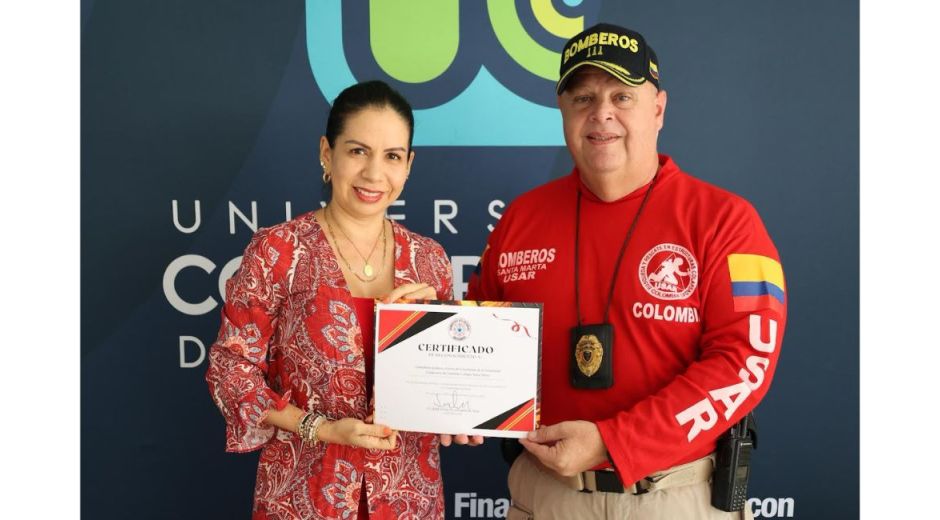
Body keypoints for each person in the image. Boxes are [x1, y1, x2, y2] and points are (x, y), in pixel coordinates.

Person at [466, 23, 787, 519]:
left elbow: (745, 362)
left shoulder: (728, 221)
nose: (602, 114)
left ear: (658, 108)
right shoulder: (520, 219)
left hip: (675, 498)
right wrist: (453, 393)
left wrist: (613, 441)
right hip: (546, 497)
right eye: (583, 97)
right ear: (563, 111)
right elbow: (476, 342)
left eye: (622, 95)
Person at [206, 80, 454, 520]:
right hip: (302, 495)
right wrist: (319, 428)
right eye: (358, 151)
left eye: (392, 156)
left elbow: (447, 381)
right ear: (327, 153)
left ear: (409, 165)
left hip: (408, 501)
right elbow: (231, 371)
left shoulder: (430, 262)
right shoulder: (278, 251)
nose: (374, 174)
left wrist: (465, 418)